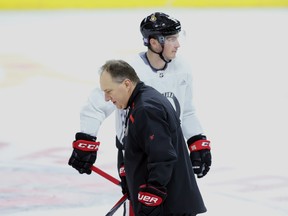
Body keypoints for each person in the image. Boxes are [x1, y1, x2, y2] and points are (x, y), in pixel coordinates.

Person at [68, 12, 211, 215]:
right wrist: (86, 139)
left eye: (177, 37)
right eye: (171, 39)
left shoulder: (183, 68)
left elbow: (187, 110)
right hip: (135, 155)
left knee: (177, 207)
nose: (177, 44)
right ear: (154, 43)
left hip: (169, 153)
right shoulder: (129, 70)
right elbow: (98, 103)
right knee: (141, 209)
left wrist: (197, 141)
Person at [100, 59, 207, 215]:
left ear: (127, 84)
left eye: (109, 91)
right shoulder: (141, 100)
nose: (106, 98)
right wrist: (128, 173)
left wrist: (152, 195)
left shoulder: (146, 109)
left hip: (168, 209)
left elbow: (163, 156)